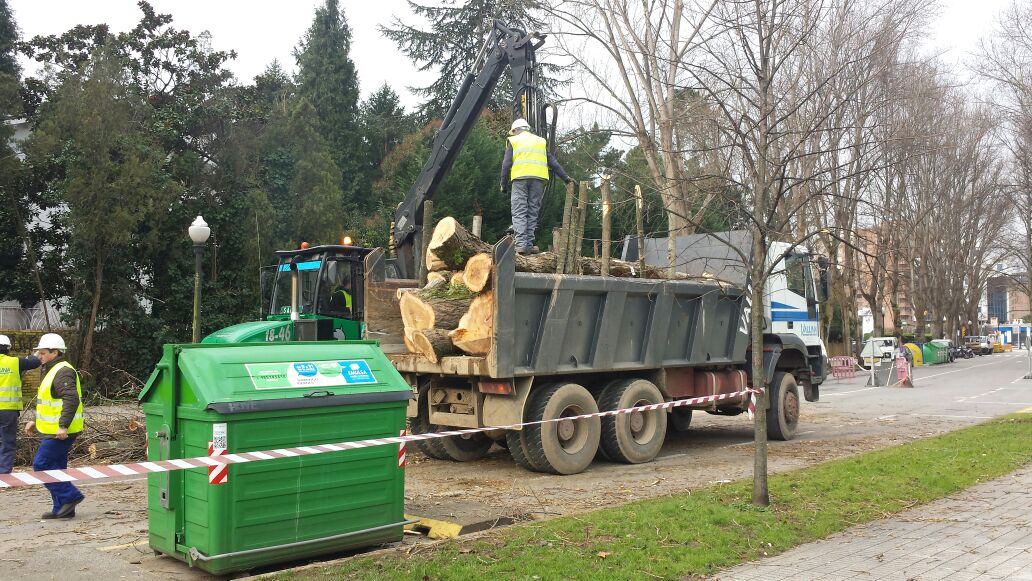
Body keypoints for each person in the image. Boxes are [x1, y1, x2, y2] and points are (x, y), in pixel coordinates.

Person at [24, 333, 85, 519]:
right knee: (57, 467)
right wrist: (36, 420)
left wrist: (63, 426)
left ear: (55, 352)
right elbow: (50, 402)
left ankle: (70, 497)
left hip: (62, 431)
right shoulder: (51, 369)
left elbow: (71, 399)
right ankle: (62, 509)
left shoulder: (62, 371)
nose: (39, 356)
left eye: (42, 353)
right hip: (54, 430)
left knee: (41, 464)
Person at [500, 118, 574, 254]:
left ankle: (521, 244)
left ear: (516, 130)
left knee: (519, 211)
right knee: (532, 212)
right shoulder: (540, 141)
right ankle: (528, 244)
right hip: (538, 180)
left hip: (520, 178)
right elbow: (553, 162)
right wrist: (566, 177)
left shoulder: (514, 141)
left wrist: (503, 184)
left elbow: (506, 164)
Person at [0, 334, 42, 473]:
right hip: (8, 411)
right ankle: (3, 474)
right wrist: (36, 353)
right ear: (8, 349)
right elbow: (35, 362)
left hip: (7, 411)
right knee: (7, 442)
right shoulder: (14, 362)